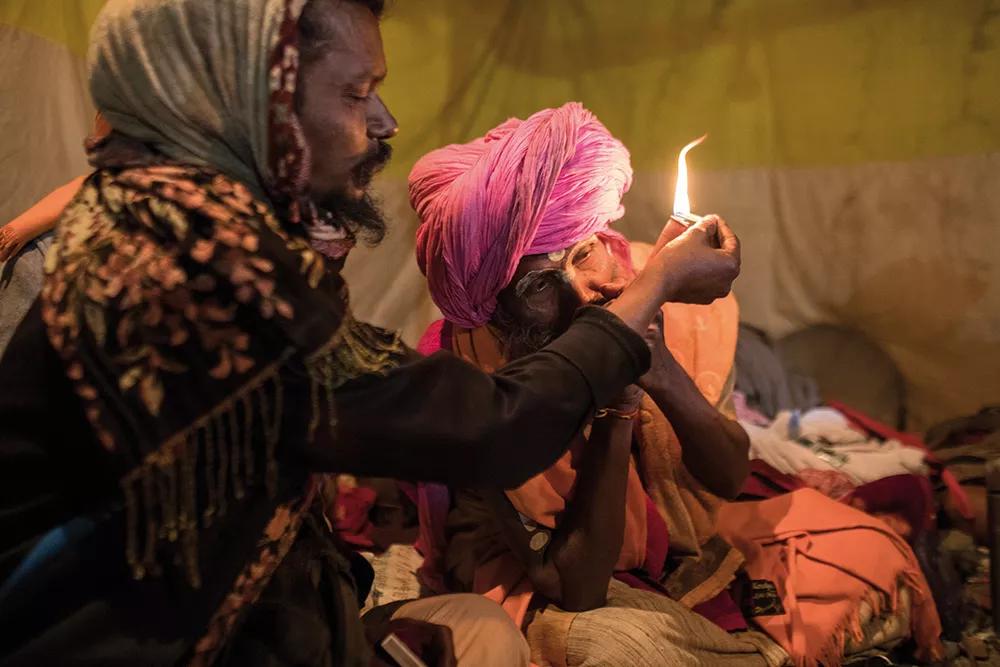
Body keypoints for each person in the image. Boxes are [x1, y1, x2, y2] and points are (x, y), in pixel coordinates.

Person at [0, 1, 743, 666]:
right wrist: (652, 292)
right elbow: (489, 429)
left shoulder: (163, 226)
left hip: (271, 621)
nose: (385, 122)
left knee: (476, 630)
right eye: (356, 93)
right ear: (250, 105)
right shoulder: (186, 279)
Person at [409, 102, 787, 666]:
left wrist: (658, 368)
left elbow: (729, 477)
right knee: (605, 647)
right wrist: (617, 405)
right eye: (540, 286)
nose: (582, 291)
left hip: (660, 548)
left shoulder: (660, 298)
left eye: (585, 253)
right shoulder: (473, 372)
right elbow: (578, 585)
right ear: (496, 313)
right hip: (545, 559)